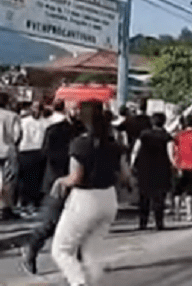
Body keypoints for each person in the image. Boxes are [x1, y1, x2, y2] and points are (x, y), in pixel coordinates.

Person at [51, 101, 131, 286]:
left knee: (62, 250)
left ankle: (78, 282)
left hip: (85, 200)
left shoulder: (80, 144)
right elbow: (125, 175)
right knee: (91, 251)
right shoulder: (114, 144)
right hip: (109, 199)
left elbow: (76, 178)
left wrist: (60, 181)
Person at [20, 102, 84, 276]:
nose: (77, 111)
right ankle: (31, 248)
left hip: (79, 182)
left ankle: (77, 263)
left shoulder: (83, 129)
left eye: (79, 108)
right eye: (74, 108)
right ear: (67, 109)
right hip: (58, 181)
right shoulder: (55, 130)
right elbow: (48, 155)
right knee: (51, 222)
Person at [131, 112, 174, 230]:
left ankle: (142, 223)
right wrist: (173, 166)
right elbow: (171, 154)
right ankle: (159, 223)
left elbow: (135, 150)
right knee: (159, 197)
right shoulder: (167, 136)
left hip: (144, 167)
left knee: (144, 196)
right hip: (161, 168)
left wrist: (132, 164)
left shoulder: (143, 135)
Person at [18, 101, 50, 214]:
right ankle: (29, 203)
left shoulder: (24, 121)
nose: (36, 111)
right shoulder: (46, 123)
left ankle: (27, 203)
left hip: (31, 152)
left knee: (30, 179)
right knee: (32, 179)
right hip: (30, 151)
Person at [0, 92, 22, 220]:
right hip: (7, 151)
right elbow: (16, 135)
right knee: (8, 181)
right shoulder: (13, 116)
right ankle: (5, 208)